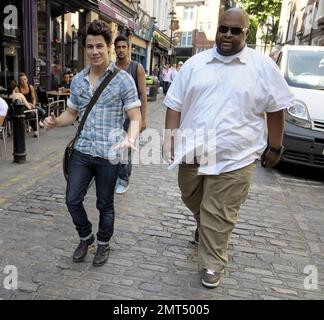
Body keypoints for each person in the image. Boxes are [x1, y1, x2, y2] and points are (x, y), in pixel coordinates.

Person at [163, 8, 294, 289]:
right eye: (224, 28)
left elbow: (276, 109)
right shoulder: (194, 65)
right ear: (218, 29)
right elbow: (174, 104)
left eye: (236, 30)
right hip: (193, 152)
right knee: (191, 196)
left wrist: (275, 147)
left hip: (238, 156)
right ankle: (205, 226)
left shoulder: (262, 67)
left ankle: (212, 262)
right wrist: (169, 139)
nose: (227, 35)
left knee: (218, 210)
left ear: (246, 32)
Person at [43, 20, 142, 267]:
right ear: (85, 49)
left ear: (109, 47)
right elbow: (72, 113)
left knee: (104, 204)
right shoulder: (78, 81)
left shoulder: (123, 80)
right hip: (83, 150)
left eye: (99, 46)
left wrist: (130, 138)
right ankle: (86, 237)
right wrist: (56, 122)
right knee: (72, 199)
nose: (94, 51)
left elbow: (135, 116)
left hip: (111, 152)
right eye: (89, 46)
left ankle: (104, 244)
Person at [114, 34, 147, 194]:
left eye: (123, 47)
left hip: (131, 115)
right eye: (118, 47)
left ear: (128, 49)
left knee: (126, 148)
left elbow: (143, 94)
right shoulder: (111, 67)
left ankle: (124, 179)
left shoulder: (136, 67)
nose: (121, 50)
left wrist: (143, 119)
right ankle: (114, 175)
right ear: (114, 49)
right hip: (114, 116)